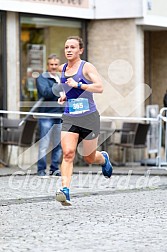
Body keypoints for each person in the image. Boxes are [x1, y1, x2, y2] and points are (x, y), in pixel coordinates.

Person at [55, 36, 113, 206]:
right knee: (68, 153)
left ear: (80, 50)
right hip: (70, 116)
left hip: (89, 118)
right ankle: (65, 191)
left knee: (88, 158)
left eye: (73, 47)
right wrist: (66, 96)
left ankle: (102, 158)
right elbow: (71, 90)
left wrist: (79, 85)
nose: (69, 50)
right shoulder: (63, 69)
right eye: (66, 47)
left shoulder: (86, 67)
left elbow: (99, 87)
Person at [36, 54, 63, 177]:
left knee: (58, 144)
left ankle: (54, 168)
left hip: (60, 115)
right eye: (51, 64)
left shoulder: (60, 77)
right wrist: (60, 85)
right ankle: (41, 170)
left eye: (56, 64)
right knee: (44, 144)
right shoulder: (42, 78)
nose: (53, 67)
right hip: (46, 115)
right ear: (47, 65)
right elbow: (46, 93)